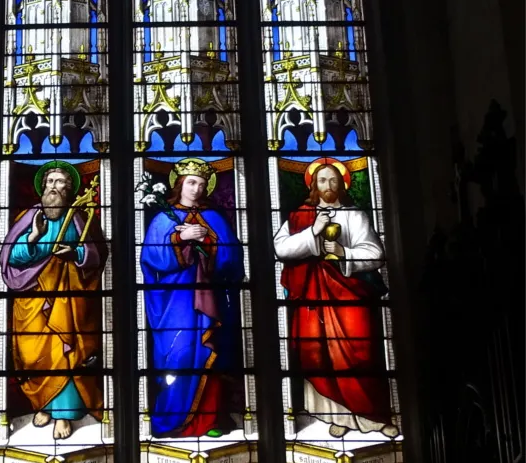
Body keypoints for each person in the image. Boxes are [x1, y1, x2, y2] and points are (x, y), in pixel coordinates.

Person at [273, 159, 399, 438]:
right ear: (313, 186)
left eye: (333, 181)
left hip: (351, 296)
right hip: (312, 295)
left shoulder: (356, 216)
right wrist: (313, 231)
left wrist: (344, 253)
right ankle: (337, 415)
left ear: (341, 184)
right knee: (318, 354)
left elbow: (375, 253)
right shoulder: (300, 216)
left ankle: (374, 418)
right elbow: (281, 248)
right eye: (322, 181)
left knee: (360, 353)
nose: (327, 186)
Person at [0, 162, 106, 440]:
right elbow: (11, 259)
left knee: (66, 351)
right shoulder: (28, 217)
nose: (54, 188)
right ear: (42, 188)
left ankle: (64, 414)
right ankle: (42, 404)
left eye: (60, 183)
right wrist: (33, 236)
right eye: (50, 183)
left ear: (69, 190)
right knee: (35, 354)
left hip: (69, 298)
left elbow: (95, 256)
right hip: (32, 298)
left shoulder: (79, 218)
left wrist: (76, 254)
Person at [140, 159, 245, 438]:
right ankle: (171, 420)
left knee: (209, 353)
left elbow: (232, 260)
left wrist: (208, 242)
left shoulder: (215, 219)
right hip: (175, 302)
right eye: (190, 182)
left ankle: (209, 420)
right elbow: (150, 260)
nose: (196, 188)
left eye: (200, 184)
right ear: (179, 185)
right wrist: (180, 239)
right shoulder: (164, 219)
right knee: (179, 355)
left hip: (210, 303)